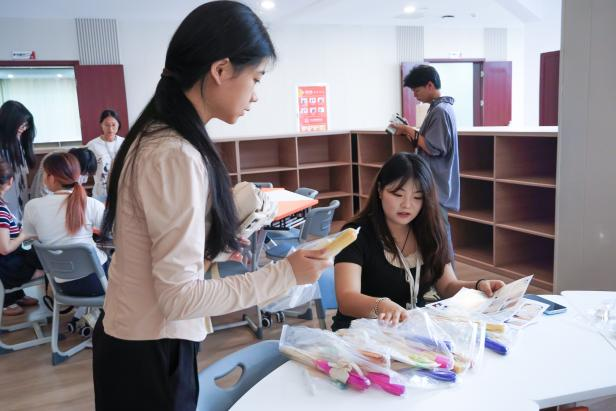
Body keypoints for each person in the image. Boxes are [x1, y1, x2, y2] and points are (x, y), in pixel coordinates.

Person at [92, 2, 329, 410]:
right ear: (220, 70)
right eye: (255, 78)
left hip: (136, 338)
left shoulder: (156, 137)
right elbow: (179, 298)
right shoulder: (176, 153)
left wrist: (209, 246)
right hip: (151, 348)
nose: (256, 95)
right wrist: (286, 273)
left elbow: (152, 252)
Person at [331, 152, 504, 331]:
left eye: (417, 197)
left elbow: (447, 286)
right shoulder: (355, 234)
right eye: (398, 194)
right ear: (380, 190)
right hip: (359, 333)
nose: (407, 205)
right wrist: (381, 306)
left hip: (409, 331)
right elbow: (347, 299)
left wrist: (478, 286)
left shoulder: (430, 230)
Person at [22, 152, 107, 331]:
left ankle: (89, 316)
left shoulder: (32, 207)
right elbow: (116, 232)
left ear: (51, 178)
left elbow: (31, 239)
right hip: (97, 284)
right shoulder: (91, 204)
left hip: (62, 287)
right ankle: (98, 318)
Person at [389, 65, 460, 259]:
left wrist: (407, 130)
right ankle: (440, 271)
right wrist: (410, 131)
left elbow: (434, 147)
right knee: (434, 231)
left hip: (436, 182)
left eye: (417, 90)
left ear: (430, 85)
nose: (415, 95)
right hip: (433, 180)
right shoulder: (440, 108)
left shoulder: (440, 111)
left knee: (440, 232)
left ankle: (448, 274)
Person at [0, 159, 43, 316]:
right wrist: (23, 235)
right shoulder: (1, 212)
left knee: (35, 250)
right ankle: (6, 298)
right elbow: (4, 249)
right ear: (10, 181)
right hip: (5, 267)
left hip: (5, 262)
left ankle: (16, 295)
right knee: (47, 262)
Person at [0, 100, 37, 222]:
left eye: (26, 125)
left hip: (19, 198)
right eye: (21, 125)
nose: (24, 129)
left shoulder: (18, 141)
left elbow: (22, 175)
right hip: (6, 198)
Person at [86, 109, 125, 203]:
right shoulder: (92, 145)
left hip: (122, 192)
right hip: (101, 193)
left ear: (118, 125)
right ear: (101, 125)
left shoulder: (125, 143)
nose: (110, 129)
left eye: (113, 125)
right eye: (107, 125)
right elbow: (85, 169)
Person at [29, 147, 97, 199]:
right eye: (83, 174)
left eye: (86, 175)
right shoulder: (53, 161)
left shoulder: (81, 161)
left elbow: (77, 185)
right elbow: (43, 191)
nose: (85, 179)